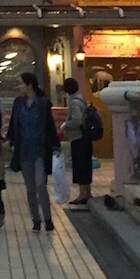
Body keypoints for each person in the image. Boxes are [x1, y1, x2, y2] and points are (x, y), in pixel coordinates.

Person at [6, 71, 60, 233]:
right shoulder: (18, 103)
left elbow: (49, 126)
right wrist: (9, 141)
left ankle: (48, 218)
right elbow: (13, 125)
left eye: (21, 83)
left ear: (29, 85)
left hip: (39, 150)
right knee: (30, 187)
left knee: (40, 184)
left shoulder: (42, 103)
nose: (19, 86)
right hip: (23, 150)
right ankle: (35, 219)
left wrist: (55, 147)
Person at [62, 77, 94, 206]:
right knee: (86, 165)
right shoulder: (81, 99)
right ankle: (88, 192)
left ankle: (82, 194)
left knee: (80, 165)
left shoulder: (74, 102)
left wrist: (65, 125)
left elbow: (77, 120)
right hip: (85, 138)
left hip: (78, 138)